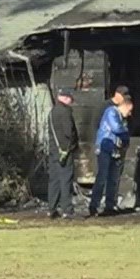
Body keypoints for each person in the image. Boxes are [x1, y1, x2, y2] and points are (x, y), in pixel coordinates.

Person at [89, 87, 132, 216]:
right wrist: (126, 136)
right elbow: (117, 129)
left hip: (115, 149)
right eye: (129, 110)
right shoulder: (111, 112)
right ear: (125, 106)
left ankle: (110, 205)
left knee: (113, 177)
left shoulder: (121, 117)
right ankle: (94, 205)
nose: (130, 114)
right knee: (102, 177)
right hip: (105, 148)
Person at [46, 88, 79, 219]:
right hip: (65, 151)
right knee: (66, 179)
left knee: (54, 180)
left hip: (54, 150)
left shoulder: (52, 112)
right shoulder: (65, 112)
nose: (71, 102)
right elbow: (68, 132)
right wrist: (74, 144)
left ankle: (51, 208)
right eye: (71, 99)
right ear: (65, 98)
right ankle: (67, 209)